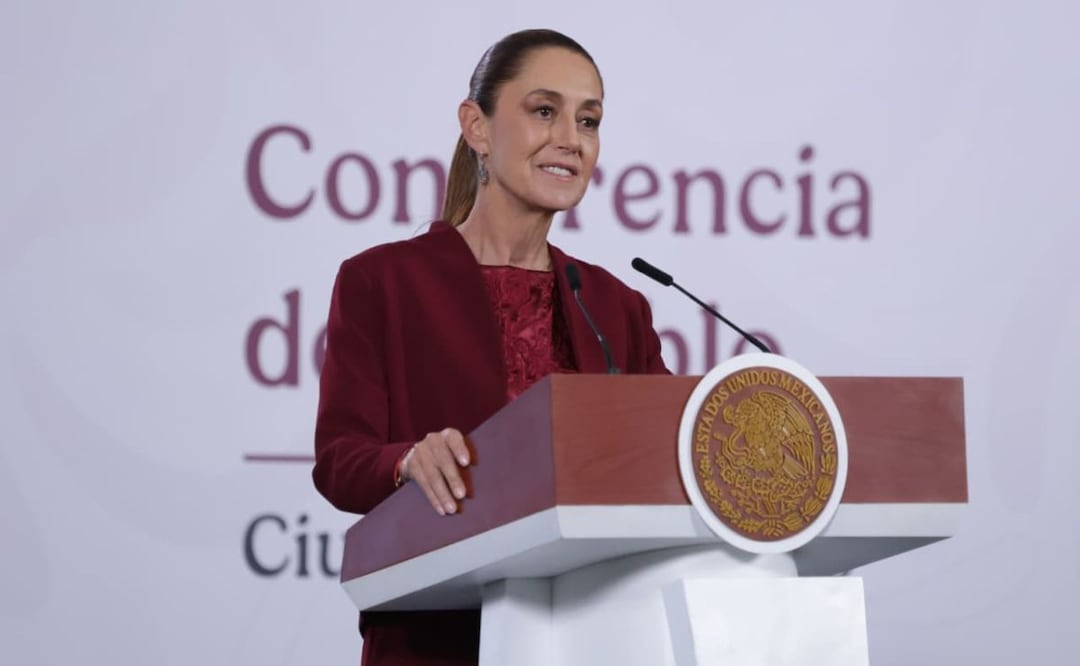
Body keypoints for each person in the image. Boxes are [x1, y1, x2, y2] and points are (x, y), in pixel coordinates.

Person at [312, 28, 670, 666]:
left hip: (594, 637)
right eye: (544, 111)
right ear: (476, 127)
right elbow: (339, 460)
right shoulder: (382, 281)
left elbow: (667, 462)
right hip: (436, 638)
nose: (571, 138)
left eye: (588, 121)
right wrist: (407, 461)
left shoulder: (618, 307)